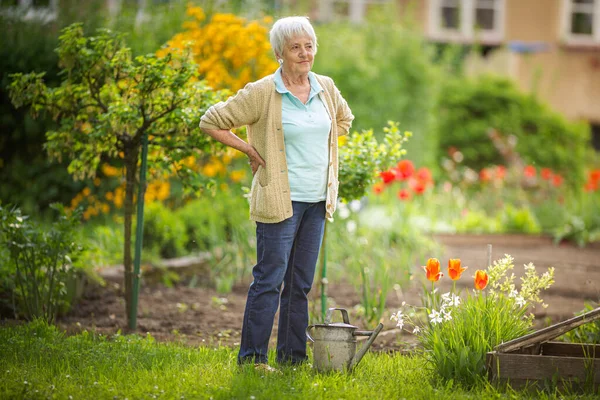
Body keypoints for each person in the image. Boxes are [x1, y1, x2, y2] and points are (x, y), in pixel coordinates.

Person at [199, 16, 354, 367]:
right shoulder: (263, 92)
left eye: (309, 46)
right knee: (269, 280)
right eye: (295, 47)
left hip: (316, 202)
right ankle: (252, 358)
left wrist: (321, 144)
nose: (304, 53)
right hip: (278, 200)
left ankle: (291, 358)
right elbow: (211, 120)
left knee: (299, 284)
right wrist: (251, 149)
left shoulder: (325, 87)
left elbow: (343, 121)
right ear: (280, 52)